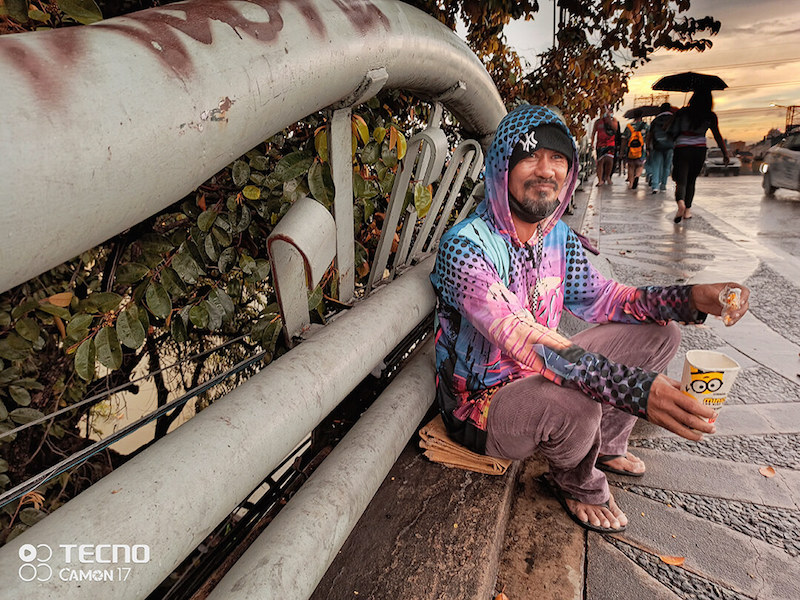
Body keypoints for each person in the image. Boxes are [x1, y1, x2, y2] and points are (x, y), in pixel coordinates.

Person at [430, 104, 750, 533]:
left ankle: (606, 447)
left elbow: (606, 297)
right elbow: (523, 336)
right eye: (529, 156)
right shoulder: (465, 247)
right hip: (484, 405)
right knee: (578, 404)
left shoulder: (556, 235)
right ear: (501, 167)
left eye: (558, 158)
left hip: (541, 371)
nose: (546, 170)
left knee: (660, 335)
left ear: (570, 170)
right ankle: (577, 481)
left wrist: (689, 298)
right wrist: (636, 389)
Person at [668, 89, 729, 222]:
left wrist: (678, 116)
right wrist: (725, 153)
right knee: (691, 181)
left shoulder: (683, 112)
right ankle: (687, 211)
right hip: (699, 150)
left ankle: (681, 204)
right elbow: (717, 135)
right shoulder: (710, 116)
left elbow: (671, 131)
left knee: (681, 181)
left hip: (682, 148)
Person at [646, 103, 675, 194]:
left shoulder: (656, 120)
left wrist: (648, 146)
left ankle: (655, 186)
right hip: (670, 146)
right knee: (667, 166)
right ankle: (663, 184)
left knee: (656, 165)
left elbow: (650, 135)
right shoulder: (673, 119)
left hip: (657, 145)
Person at [590, 108, 619, 186]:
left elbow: (615, 128)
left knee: (609, 161)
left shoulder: (613, 120)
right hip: (600, 145)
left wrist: (609, 119)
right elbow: (593, 133)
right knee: (600, 162)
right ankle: (600, 180)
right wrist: (592, 142)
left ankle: (607, 176)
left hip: (610, 144)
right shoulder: (598, 122)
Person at [621, 109, 648, 189]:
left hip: (630, 150)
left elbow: (624, 139)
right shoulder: (645, 126)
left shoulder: (629, 126)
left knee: (631, 166)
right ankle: (637, 176)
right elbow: (649, 137)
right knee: (640, 165)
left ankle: (631, 184)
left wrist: (622, 151)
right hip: (641, 150)